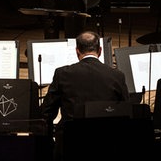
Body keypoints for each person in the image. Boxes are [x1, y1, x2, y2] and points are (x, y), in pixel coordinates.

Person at [40, 31, 129, 160]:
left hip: (70, 145)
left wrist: (48, 145)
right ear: (100, 50)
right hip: (106, 145)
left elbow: (46, 113)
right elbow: (126, 112)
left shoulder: (62, 74)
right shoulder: (117, 76)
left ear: (77, 51)